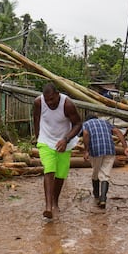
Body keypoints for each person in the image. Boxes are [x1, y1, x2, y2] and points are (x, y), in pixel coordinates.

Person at [33, 83, 82, 219]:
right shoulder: (38, 102)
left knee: (60, 174)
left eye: (52, 99)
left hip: (64, 141)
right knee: (49, 169)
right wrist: (38, 137)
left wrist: (66, 139)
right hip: (45, 140)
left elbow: (78, 124)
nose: (50, 103)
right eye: (47, 100)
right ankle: (48, 206)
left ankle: (55, 202)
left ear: (57, 94)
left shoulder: (68, 105)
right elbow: (36, 118)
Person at [82, 115, 128, 209]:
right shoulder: (105, 122)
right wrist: (125, 148)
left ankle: (96, 196)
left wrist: (86, 150)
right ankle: (103, 198)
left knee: (95, 173)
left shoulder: (86, 124)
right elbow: (117, 131)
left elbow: (86, 134)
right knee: (105, 175)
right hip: (110, 150)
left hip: (96, 151)